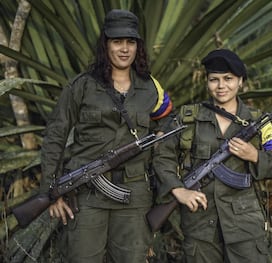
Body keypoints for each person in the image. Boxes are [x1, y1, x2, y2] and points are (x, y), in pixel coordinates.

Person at [40, 9, 173, 263]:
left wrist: (162, 137)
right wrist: (50, 191)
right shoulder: (82, 86)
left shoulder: (150, 87)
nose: (124, 49)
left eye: (130, 42)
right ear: (105, 44)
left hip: (134, 195)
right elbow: (55, 136)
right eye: (117, 41)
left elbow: (168, 119)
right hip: (87, 194)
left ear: (138, 46)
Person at [153, 49, 272, 263]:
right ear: (206, 82)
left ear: (241, 81)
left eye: (228, 79)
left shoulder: (257, 121)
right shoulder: (189, 117)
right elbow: (162, 158)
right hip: (200, 224)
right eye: (214, 79)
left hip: (245, 226)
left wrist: (254, 156)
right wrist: (178, 190)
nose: (221, 86)